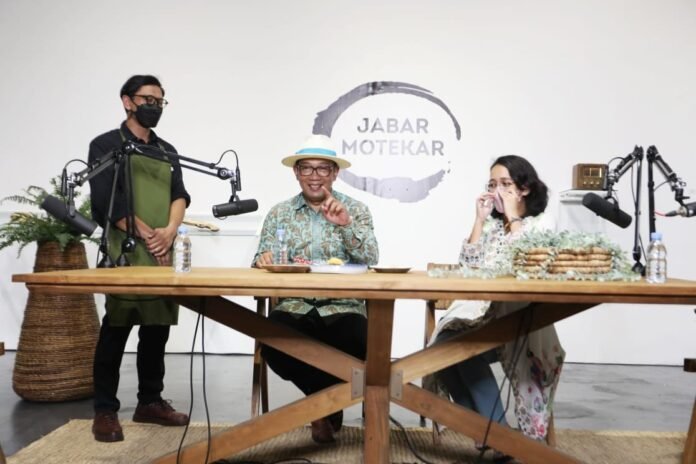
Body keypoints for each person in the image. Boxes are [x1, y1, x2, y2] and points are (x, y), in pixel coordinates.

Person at [427, 155, 563, 458]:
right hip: (481, 316)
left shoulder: (542, 222)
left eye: (505, 184)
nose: (496, 191)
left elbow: (529, 265)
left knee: (464, 348)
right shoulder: (490, 226)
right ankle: (494, 431)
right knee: (443, 349)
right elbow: (467, 269)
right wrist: (478, 220)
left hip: (519, 320)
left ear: (524, 189)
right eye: (492, 184)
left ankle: (492, 434)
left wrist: (513, 216)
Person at [253, 134, 379, 444]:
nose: (314, 176)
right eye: (307, 168)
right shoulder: (279, 213)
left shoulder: (356, 209)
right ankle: (326, 405)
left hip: (343, 307)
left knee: (358, 342)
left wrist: (346, 224)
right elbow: (261, 258)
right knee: (273, 343)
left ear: (335, 173)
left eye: (322, 168)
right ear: (296, 172)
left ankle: (320, 409)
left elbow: (371, 257)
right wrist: (263, 259)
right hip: (294, 306)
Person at [88, 75, 191, 442]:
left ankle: (149, 401)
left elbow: (179, 195)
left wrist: (170, 231)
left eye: (160, 101)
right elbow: (105, 200)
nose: (154, 106)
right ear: (127, 101)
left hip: (162, 250)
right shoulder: (106, 145)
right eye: (148, 99)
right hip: (126, 249)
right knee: (116, 327)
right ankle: (105, 409)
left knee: (156, 327)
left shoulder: (167, 150)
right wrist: (149, 235)